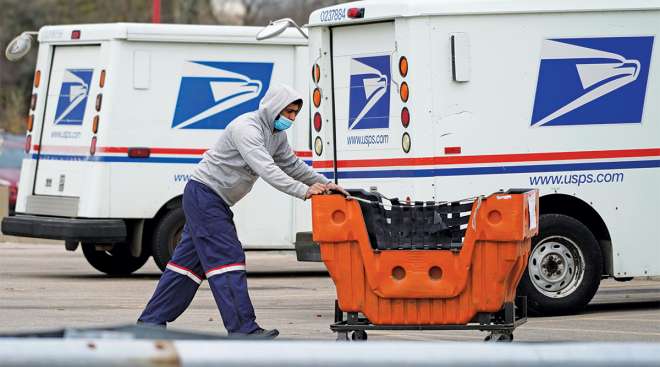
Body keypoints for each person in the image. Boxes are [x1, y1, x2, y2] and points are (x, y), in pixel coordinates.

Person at [138, 84, 347, 338]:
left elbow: (291, 164)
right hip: (205, 195)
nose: (291, 118)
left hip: (211, 199)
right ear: (273, 108)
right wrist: (303, 192)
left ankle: (150, 322)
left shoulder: (275, 134)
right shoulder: (246, 129)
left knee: (186, 268)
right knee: (228, 258)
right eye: (288, 112)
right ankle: (242, 329)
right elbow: (266, 168)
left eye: (294, 114)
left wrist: (324, 184)